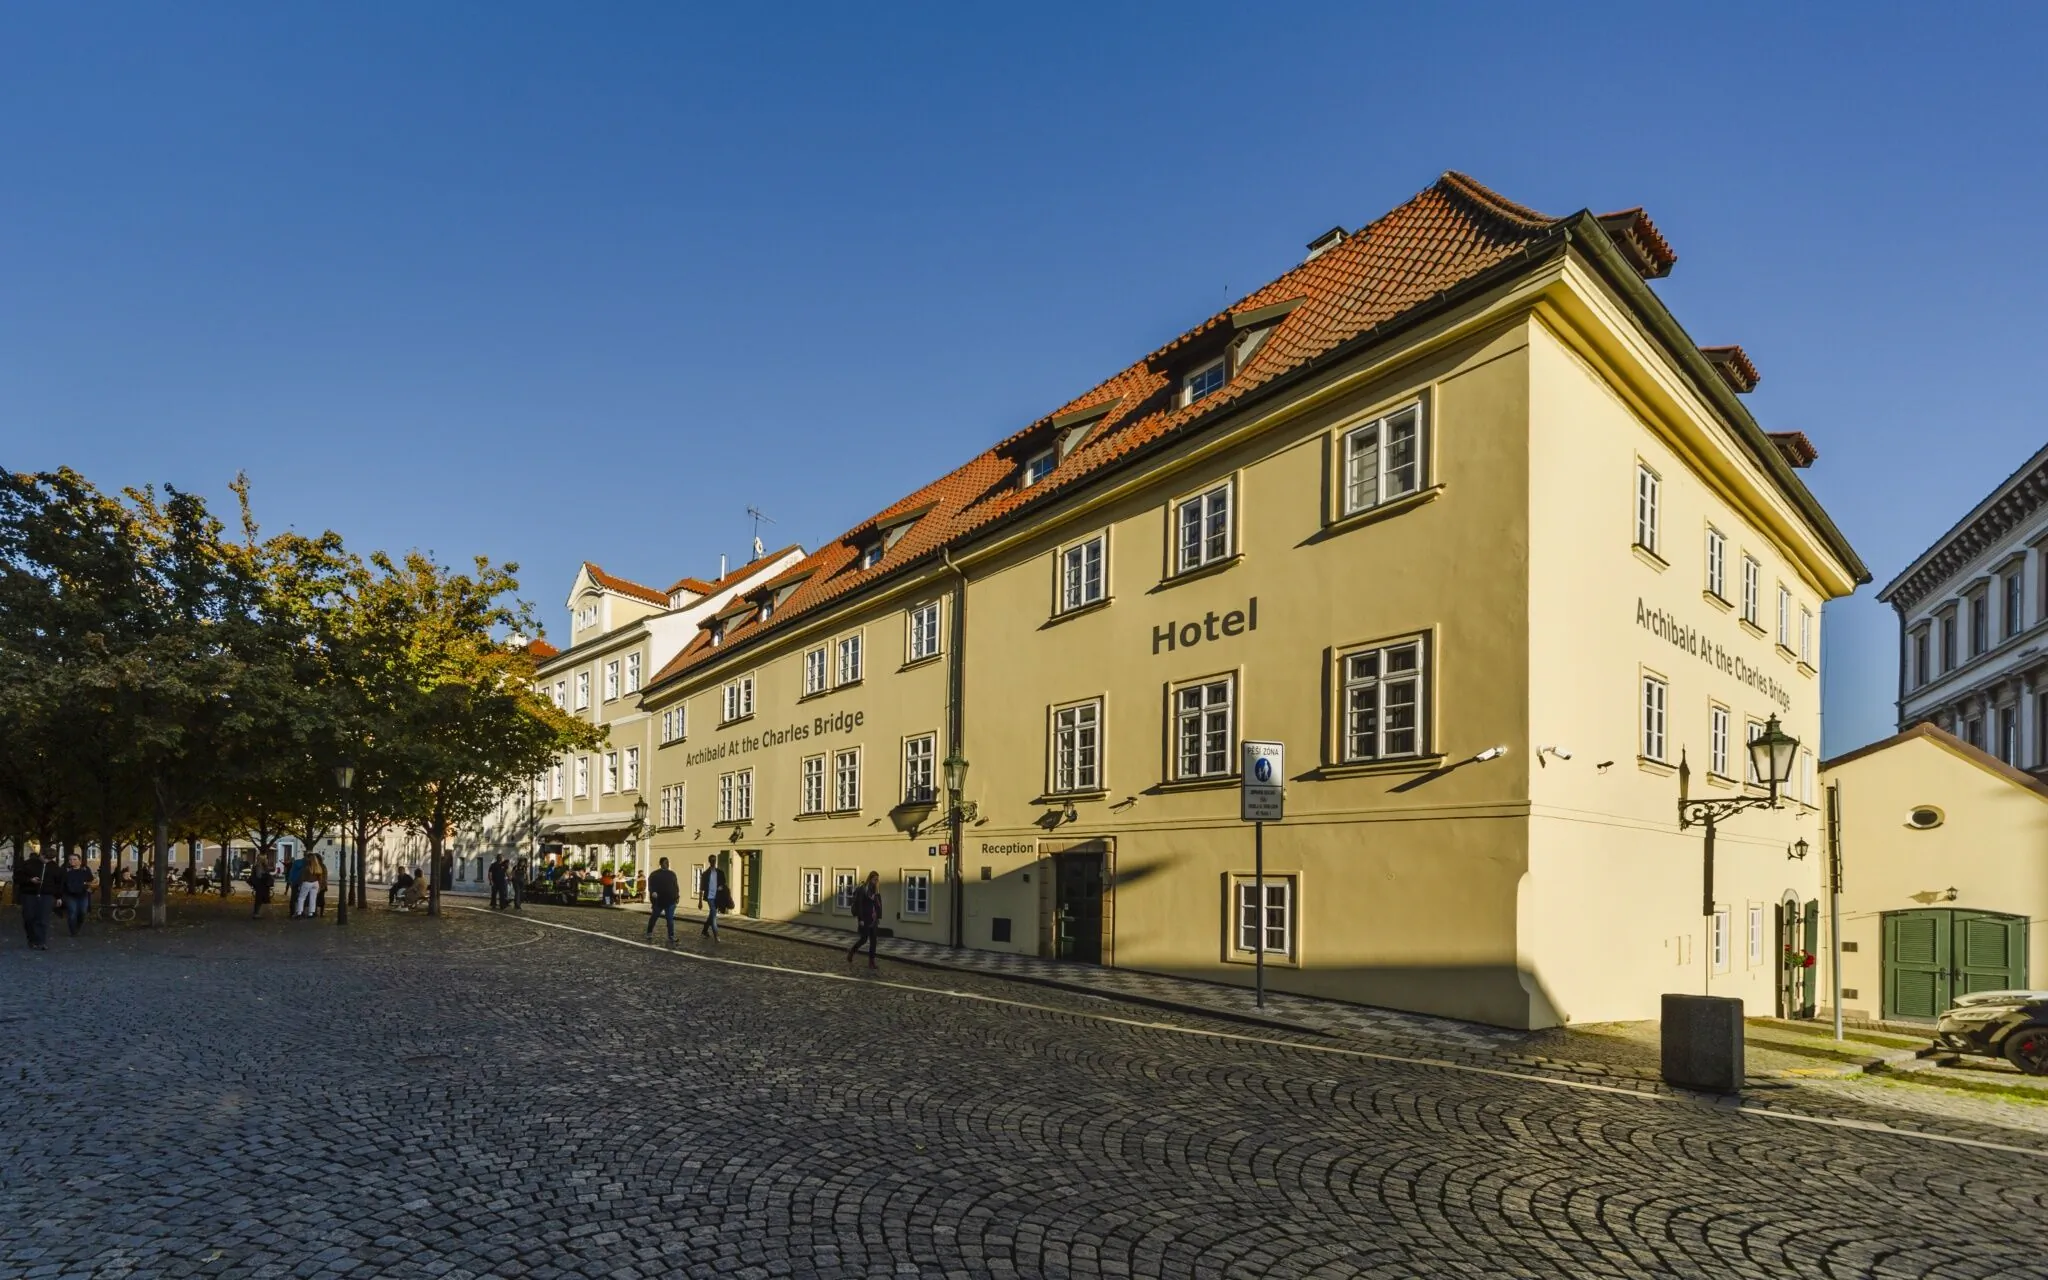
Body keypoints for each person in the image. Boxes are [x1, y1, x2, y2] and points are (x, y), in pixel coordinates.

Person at [15, 847, 53, 950]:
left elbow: (58, 881)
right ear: (41, 855)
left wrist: (57, 896)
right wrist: (30, 880)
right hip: (29, 894)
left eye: (49, 859)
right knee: (29, 917)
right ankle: (32, 939)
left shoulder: (53, 866)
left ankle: (41, 941)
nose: (47, 861)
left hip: (46, 894)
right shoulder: (28, 864)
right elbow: (17, 878)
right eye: (45, 858)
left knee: (42, 919)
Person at [846, 871, 883, 970]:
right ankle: (852, 951)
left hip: (873, 919)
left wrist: (878, 916)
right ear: (870, 879)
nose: (876, 881)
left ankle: (871, 962)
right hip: (865, 918)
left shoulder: (875, 890)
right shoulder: (863, 889)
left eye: (877, 879)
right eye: (875, 879)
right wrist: (860, 919)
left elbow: (877, 904)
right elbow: (859, 905)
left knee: (874, 941)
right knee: (864, 939)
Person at [58, 852, 93, 939]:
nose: (72, 861)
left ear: (79, 861)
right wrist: (59, 896)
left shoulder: (85, 870)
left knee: (82, 913)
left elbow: (90, 880)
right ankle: (73, 931)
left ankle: (77, 927)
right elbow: (61, 884)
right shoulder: (65, 870)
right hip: (70, 895)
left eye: (74, 859)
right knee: (72, 913)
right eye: (70, 859)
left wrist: (89, 887)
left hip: (83, 894)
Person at [645, 857, 680, 943]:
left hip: (670, 901)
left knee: (670, 920)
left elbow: (675, 886)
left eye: (668, 862)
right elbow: (650, 885)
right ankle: (649, 932)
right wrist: (653, 892)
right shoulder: (654, 874)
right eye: (665, 862)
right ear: (661, 864)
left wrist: (677, 896)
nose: (667, 864)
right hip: (659, 901)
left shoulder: (672, 874)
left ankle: (671, 935)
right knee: (654, 917)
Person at [699, 856, 726, 940]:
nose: (713, 861)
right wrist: (700, 901)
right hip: (710, 897)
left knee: (712, 915)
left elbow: (724, 884)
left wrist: (721, 887)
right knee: (714, 915)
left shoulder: (720, 873)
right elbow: (701, 889)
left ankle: (704, 930)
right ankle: (716, 934)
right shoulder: (705, 874)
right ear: (709, 861)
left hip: (717, 897)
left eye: (714, 860)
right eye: (712, 860)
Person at [295, 852, 325, 918]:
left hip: (307, 882)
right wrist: (319, 885)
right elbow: (320, 878)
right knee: (313, 898)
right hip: (315, 883)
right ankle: (311, 913)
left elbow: (302, 877)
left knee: (301, 898)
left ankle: (299, 912)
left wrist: (300, 884)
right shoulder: (318, 867)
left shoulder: (307, 867)